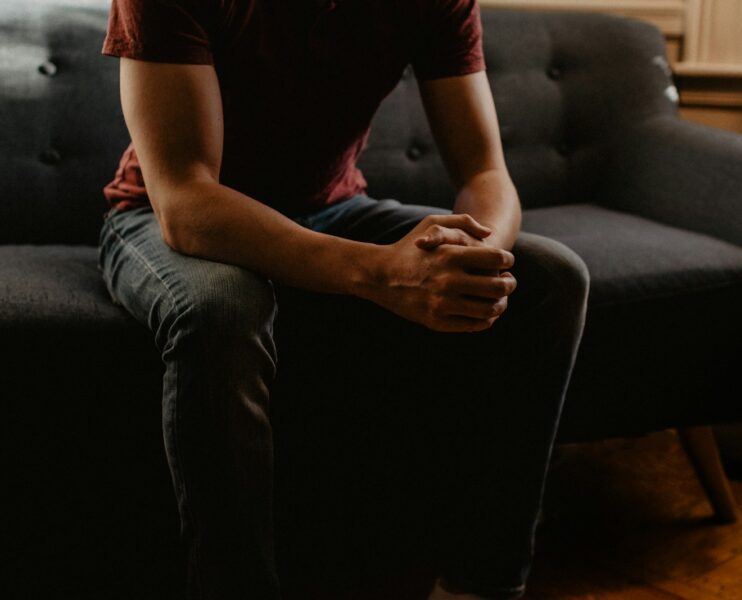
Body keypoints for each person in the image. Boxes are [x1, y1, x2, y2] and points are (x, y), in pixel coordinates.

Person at [98, 1, 589, 598]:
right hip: (162, 214)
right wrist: (383, 274)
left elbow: (487, 172)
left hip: (333, 209)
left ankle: (481, 585)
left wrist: (472, 258)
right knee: (222, 310)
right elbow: (185, 201)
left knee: (552, 279)